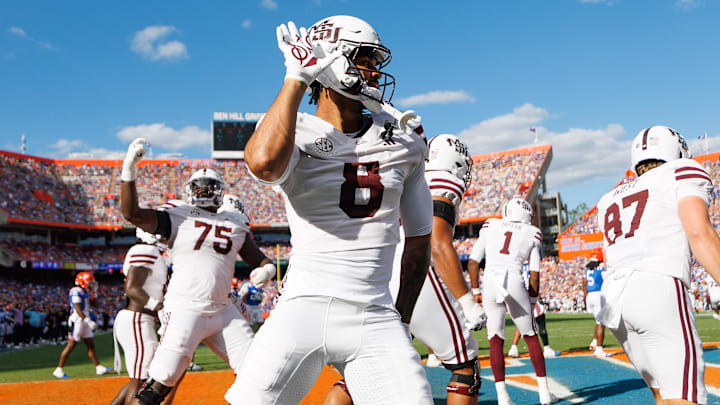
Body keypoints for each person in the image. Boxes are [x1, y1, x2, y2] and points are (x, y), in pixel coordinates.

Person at [225, 15, 435, 405]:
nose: (374, 71)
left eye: (376, 61)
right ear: (331, 61)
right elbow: (264, 163)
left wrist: (401, 320)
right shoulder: (295, 130)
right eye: (364, 59)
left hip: (374, 314)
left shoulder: (403, 139)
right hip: (301, 308)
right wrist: (296, 76)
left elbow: (420, 242)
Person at [322, 134, 488, 405]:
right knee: (465, 367)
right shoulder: (443, 182)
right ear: (455, 161)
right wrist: (467, 301)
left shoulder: (409, 173)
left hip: (382, 274)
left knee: (364, 372)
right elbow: (437, 242)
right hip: (416, 272)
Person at [120, 145, 276, 405]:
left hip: (223, 311)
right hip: (185, 309)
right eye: (199, 187)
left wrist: (266, 270)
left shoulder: (234, 221)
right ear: (190, 191)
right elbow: (132, 214)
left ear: (220, 192)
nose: (204, 191)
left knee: (258, 373)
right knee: (160, 383)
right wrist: (129, 171)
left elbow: (259, 259)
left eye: (209, 187)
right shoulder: (177, 215)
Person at [596, 125, 720, 405]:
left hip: (615, 300)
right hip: (657, 285)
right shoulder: (682, 170)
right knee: (684, 397)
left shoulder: (609, 199)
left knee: (663, 394)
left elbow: (609, 257)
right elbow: (700, 234)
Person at [468, 198, 556, 405]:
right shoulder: (532, 232)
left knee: (495, 340)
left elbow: (473, 262)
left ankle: (502, 397)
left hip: (490, 280)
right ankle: (544, 393)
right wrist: (532, 300)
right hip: (514, 279)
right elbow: (534, 274)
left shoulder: (490, 225)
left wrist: (475, 290)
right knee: (531, 335)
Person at [110, 229, 172, 405]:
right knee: (142, 383)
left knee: (138, 381)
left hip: (139, 320)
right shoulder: (145, 250)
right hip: (137, 319)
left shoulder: (151, 252)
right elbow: (132, 288)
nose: (166, 237)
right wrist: (158, 306)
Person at [52, 272, 113, 379]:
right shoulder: (76, 291)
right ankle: (58, 369)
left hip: (84, 320)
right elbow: (77, 308)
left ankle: (99, 367)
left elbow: (95, 305)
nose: (91, 284)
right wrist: (89, 321)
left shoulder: (85, 291)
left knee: (90, 345)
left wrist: (94, 294)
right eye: (89, 282)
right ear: (83, 282)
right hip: (77, 320)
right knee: (71, 345)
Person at [508, 261, 559, 359]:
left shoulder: (515, 266)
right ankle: (547, 348)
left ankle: (513, 348)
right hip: (529, 296)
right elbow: (534, 280)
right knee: (541, 318)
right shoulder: (531, 265)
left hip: (519, 296)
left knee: (522, 323)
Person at [582, 255, 610, 358]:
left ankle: (594, 342)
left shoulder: (587, 268)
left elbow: (584, 283)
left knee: (598, 321)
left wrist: (586, 297)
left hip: (590, 295)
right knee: (601, 323)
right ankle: (599, 349)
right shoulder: (601, 266)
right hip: (598, 294)